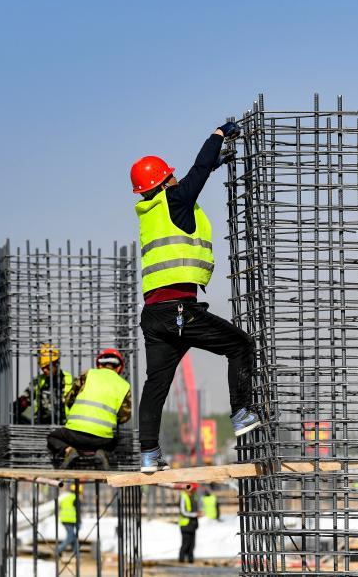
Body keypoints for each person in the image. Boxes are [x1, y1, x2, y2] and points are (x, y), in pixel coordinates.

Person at [130, 123, 261, 472]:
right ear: (164, 182)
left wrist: (216, 163)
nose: (176, 180)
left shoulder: (152, 213)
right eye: (170, 176)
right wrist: (218, 135)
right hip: (178, 310)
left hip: (154, 314)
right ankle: (241, 412)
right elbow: (198, 170)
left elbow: (201, 173)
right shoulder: (175, 199)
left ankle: (148, 455)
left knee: (156, 384)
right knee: (240, 345)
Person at [47, 348, 132, 469]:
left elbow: (69, 399)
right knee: (119, 441)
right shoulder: (124, 385)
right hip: (102, 439)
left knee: (53, 437)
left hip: (75, 435)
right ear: (119, 368)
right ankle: (104, 453)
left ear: (99, 365)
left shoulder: (88, 375)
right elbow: (124, 417)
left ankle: (69, 450)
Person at [15, 344, 73, 425]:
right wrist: (13, 409)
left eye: (47, 366)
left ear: (56, 363)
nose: (44, 370)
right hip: (41, 425)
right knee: (14, 417)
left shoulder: (69, 380)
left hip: (63, 425)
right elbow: (24, 401)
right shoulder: (38, 381)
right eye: (42, 367)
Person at [55, 483, 81, 559]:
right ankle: (58, 550)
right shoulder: (75, 498)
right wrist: (79, 521)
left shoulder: (66, 497)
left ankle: (77, 553)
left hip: (64, 519)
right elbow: (78, 511)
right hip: (70, 519)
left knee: (73, 537)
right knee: (70, 537)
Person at [178, 485, 199, 563]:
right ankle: (182, 560)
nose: (195, 491)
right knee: (185, 544)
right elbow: (183, 512)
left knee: (192, 544)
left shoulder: (193, 497)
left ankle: (190, 560)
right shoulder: (183, 497)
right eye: (194, 489)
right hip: (185, 524)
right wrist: (195, 514)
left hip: (192, 524)